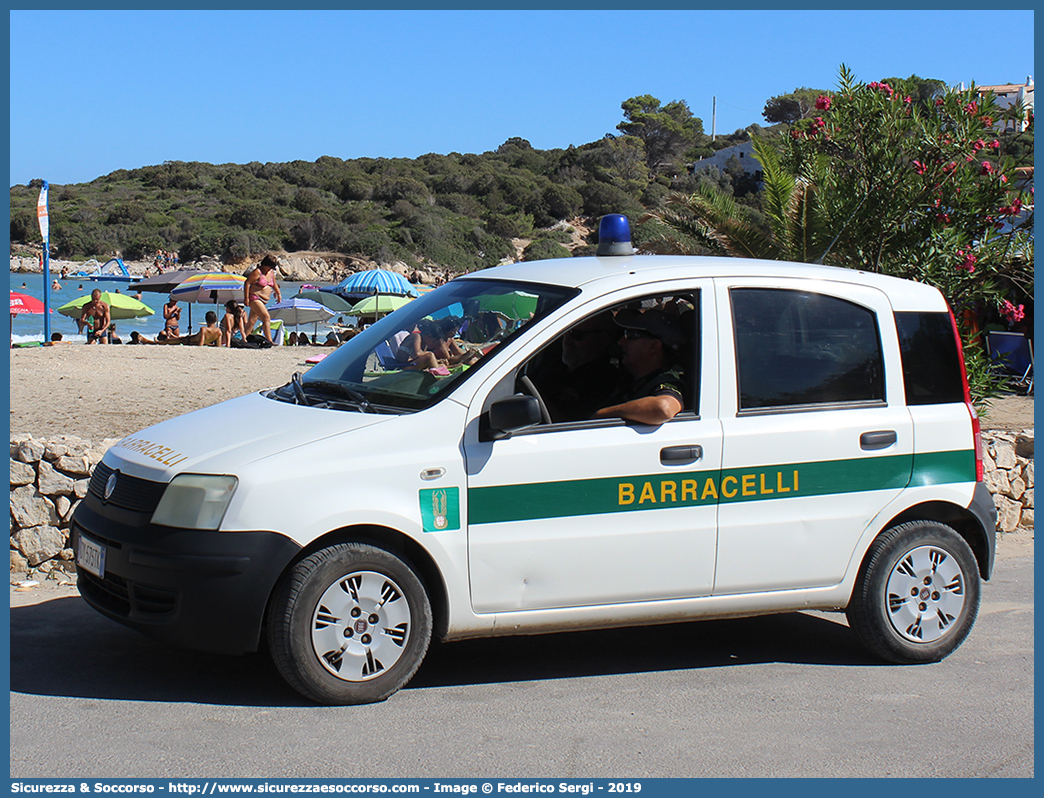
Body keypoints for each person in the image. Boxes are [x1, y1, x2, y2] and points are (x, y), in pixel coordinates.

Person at [593, 309, 687, 425]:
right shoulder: (631, 378)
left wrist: (601, 415)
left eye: (630, 335)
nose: (621, 342)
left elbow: (663, 408)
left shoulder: (667, 381)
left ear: (653, 346)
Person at [533, 312, 622, 422]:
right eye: (565, 333)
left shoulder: (606, 382)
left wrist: (536, 398)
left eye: (577, 335)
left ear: (604, 340)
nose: (567, 341)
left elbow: (572, 426)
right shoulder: (553, 366)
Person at [244, 253, 282, 344]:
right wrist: (246, 298)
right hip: (255, 298)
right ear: (265, 264)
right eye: (269, 267)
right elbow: (247, 283)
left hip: (263, 300)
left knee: (252, 321)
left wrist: (278, 294)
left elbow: (274, 284)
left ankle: (244, 339)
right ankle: (269, 340)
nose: (270, 269)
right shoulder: (257, 272)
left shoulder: (271, 273)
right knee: (266, 317)